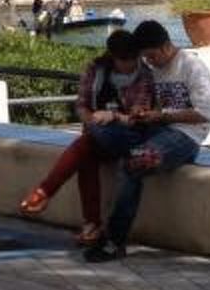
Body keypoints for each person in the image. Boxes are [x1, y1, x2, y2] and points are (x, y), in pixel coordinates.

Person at [84, 19, 210, 263]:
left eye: (151, 56)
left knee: (132, 164)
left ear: (166, 46)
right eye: (145, 57)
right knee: (99, 129)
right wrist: (142, 112)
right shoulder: (155, 70)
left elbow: (204, 113)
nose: (149, 62)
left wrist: (162, 115)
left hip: (185, 137)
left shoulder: (192, 66)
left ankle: (114, 240)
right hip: (157, 129)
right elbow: (157, 106)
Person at [17, 29, 152, 245]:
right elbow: (81, 105)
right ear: (112, 57)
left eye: (133, 59)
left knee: (87, 145)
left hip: (128, 135)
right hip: (97, 133)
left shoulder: (144, 75)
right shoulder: (95, 70)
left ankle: (46, 192)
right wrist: (93, 121)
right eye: (123, 60)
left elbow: (138, 118)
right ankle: (91, 226)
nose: (129, 64)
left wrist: (113, 116)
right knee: (87, 153)